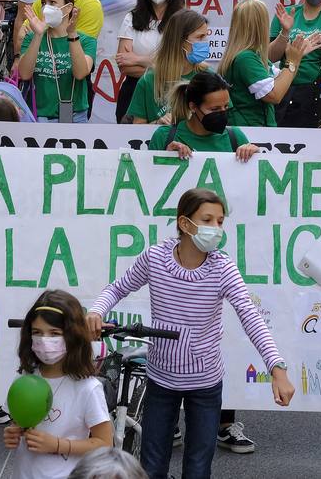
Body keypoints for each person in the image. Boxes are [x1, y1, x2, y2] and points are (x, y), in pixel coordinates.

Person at [88, 188, 294, 479]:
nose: (216, 228)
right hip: (161, 378)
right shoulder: (155, 258)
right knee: (152, 464)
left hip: (206, 383)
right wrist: (96, 311)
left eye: (220, 221)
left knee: (198, 466)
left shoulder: (223, 269)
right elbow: (118, 287)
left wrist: (277, 368)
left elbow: (251, 316)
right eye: (207, 219)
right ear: (185, 224)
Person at [5, 290, 113, 477]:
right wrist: (13, 432)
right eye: (37, 332)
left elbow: (104, 443)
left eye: (54, 333)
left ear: (73, 336)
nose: (45, 340)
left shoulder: (87, 388)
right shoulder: (26, 377)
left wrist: (57, 445)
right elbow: (19, 421)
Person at [218, 0, 312, 126]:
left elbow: (283, 81)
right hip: (250, 133)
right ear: (260, 25)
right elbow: (275, 95)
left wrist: (297, 55)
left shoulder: (251, 54)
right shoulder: (246, 58)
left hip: (257, 131)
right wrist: (292, 61)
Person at [115, 0, 185, 120]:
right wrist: (163, 67)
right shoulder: (131, 18)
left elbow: (181, 65)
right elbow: (125, 66)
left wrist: (139, 59)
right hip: (134, 92)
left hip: (172, 94)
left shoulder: (182, 20)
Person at [19, 0, 96, 123]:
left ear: (68, 8)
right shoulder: (32, 37)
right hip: (39, 116)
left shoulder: (86, 40)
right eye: (43, 3)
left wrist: (72, 34)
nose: (45, 8)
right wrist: (38, 35)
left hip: (75, 117)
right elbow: (24, 74)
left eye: (52, 2)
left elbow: (80, 73)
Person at [126, 9, 210, 124]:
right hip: (162, 141)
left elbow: (223, 122)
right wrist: (158, 123)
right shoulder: (149, 80)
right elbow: (137, 128)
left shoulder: (209, 76)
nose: (205, 42)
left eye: (205, 36)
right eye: (200, 37)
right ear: (180, 40)